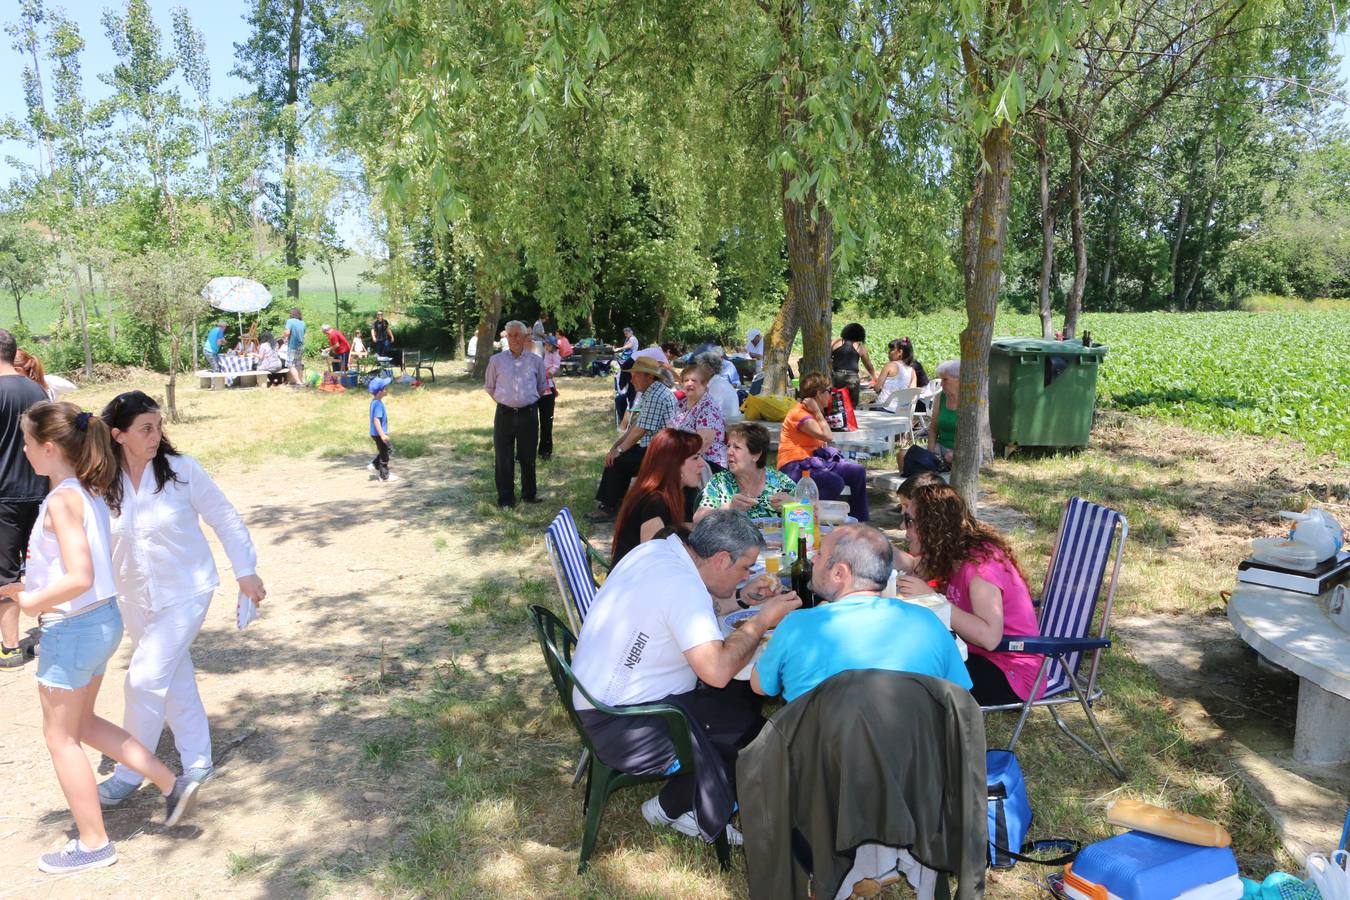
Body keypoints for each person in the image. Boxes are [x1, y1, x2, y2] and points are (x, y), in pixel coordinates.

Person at [2, 402, 201, 873]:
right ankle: (172, 786)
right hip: (97, 621)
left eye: (28, 443)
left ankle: (93, 843)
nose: (24, 451)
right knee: (84, 725)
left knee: (60, 738)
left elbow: (79, 574)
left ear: (49, 449)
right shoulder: (85, 491)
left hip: (72, 628)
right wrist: (25, 588)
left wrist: (30, 603)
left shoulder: (63, 500)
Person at [571, 510, 801, 846]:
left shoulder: (660, 551)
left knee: (743, 702)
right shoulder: (682, 586)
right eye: (744, 567)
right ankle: (681, 805)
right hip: (627, 727)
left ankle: (680, 803)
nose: (746, 574)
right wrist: (762, 620)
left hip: (602, 702)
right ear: (721, 559)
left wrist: (739, 598)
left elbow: (679, 616)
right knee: (761, 737)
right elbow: (718, 671)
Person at [92, 391, 266, 812]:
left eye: (158, 427)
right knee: (172, 675)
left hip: (187, 592)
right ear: (118, 435)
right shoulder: (101, 483)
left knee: (144, 677)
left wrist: (246, 571)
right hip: (133, 597)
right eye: (145, 429)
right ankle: (199, 761)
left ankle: (131, 771)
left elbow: (224, 517)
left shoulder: (181, 471)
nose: (155, 436)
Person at [752, 524, 971, 703]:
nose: (813, 561)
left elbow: (760, 686)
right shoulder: (927, 622)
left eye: (819, 554)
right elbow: (959, 696)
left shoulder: (796, 626)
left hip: (819, 755)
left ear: (839, 573)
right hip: (911, 753)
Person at [898, 482, 1044, 707]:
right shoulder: (951, 552)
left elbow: (989, 637)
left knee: (911, 679)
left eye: (909, 521)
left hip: (1009, 672)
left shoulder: (980, 565)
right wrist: (870, 543)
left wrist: (936, 601)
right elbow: (913, 567)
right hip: (976, 657)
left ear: (932, 525)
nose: (902, 527)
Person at [0, 331, 48, 668]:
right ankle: (50, 636)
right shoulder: (38, 390)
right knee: (43, 565)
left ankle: (11, 647)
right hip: (41, 489)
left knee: (5, 573)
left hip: (3, 495)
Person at [588, 355, 676, 522]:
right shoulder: (651, 391)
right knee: (619, 457)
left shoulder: (657, 395)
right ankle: (615, 502)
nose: (632, 378)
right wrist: (617, 445)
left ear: (649, 376)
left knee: (617, 462)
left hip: (661, 451)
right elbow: (637, 424)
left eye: (636, 374)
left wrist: (618, 450)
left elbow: (640, 431)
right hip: (654, 446)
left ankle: (609, 508)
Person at [777, 372, 869, 522]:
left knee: (857, 471)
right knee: (834, 482)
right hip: (794, 465)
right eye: (829, 391)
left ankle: (857, 521)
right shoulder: (799, 414)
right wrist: (818, 414)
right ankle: (809, 518)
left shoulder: (811, 412)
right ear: (819, 393)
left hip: (815, 462)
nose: (831, 395)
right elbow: (827, 436)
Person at [610, 428, 704, 564]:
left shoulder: (678, 493)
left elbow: (679, 528)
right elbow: (653, 561)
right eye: (695, 458)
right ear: (673, 464)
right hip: (636, 580)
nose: (702, 464)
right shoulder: (654, 503)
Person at [484, 321, 547, 508]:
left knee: (528, 457)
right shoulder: (496, 361)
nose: (513, 339)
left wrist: (525, 400)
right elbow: (490, 387)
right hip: (504, 414)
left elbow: (542, 386)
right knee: (503, 458)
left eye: (517, 335)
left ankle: (529, 495)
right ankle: (505, 499)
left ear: (525, 336)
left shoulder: (535, 360)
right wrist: (507, 401)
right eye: (510, 335)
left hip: (528, 414)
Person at [695, 423, 795, 522]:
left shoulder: (779, 482)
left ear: (756, 455)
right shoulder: (719, 482)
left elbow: (809, 511)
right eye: (728, 446)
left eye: (737, 447)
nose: (729, 452)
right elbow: (698, 519)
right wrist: (729, 508)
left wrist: (793, 505)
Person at [903, 359, 959, 475]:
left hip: (960, 452)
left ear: (958, 380)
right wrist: (931, 453)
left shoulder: (970, 402)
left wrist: (957, 454)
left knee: (949, 459)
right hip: (940, 447)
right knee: (902, 456)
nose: (942, 384)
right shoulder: (941, 397)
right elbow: (933, 429)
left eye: (945, 380)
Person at [668, 360, 727, 471]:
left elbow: (702, 444)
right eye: (686, 380)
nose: (689, 383)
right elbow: (669, 431)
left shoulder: (708, 408)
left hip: (707, 463)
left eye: (694, 381)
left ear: (704, 385)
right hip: (682, 457)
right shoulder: (680, 404)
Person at [830, 322, 877, 407]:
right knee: (851, 405)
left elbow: (826, 358)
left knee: (836, 404)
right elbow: (868, 364)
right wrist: (874, 376)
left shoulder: (836, 342)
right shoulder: (859, 346)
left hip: (837, 376)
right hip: (853, 378)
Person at [699, 351, 743, 422]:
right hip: (728, 421)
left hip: (726, 424)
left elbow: (708, 413)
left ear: (709, 370)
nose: (698, 371)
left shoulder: (716, 386)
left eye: (700, 368)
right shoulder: (718, 381)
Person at [874, 338, 916, 409]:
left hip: (883, 408)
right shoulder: (912, 371)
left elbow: (877, 388)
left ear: (900, 352)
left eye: (891, 350)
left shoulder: (889, 366)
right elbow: (912, 393)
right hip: (901, 411)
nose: (889, 352)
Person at [538, 335, 561, 461]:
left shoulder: (555, 355)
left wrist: (548, 373)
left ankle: (545, 450)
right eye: (545, 344)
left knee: (546, 422)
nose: (546, 347)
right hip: (535, 388)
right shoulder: (542, 352)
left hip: (547, 388)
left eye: (548, 345)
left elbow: (554, 369)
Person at [282, 307, 307, 376]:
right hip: (301, 346)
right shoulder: (303, 323)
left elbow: (287, 333)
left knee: (290, 365)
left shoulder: (290, 321)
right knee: (298, 363)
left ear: (291, 314)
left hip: (292, 346)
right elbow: (304, 335)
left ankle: (298, 382)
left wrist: (284, 336)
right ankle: (300, 381)